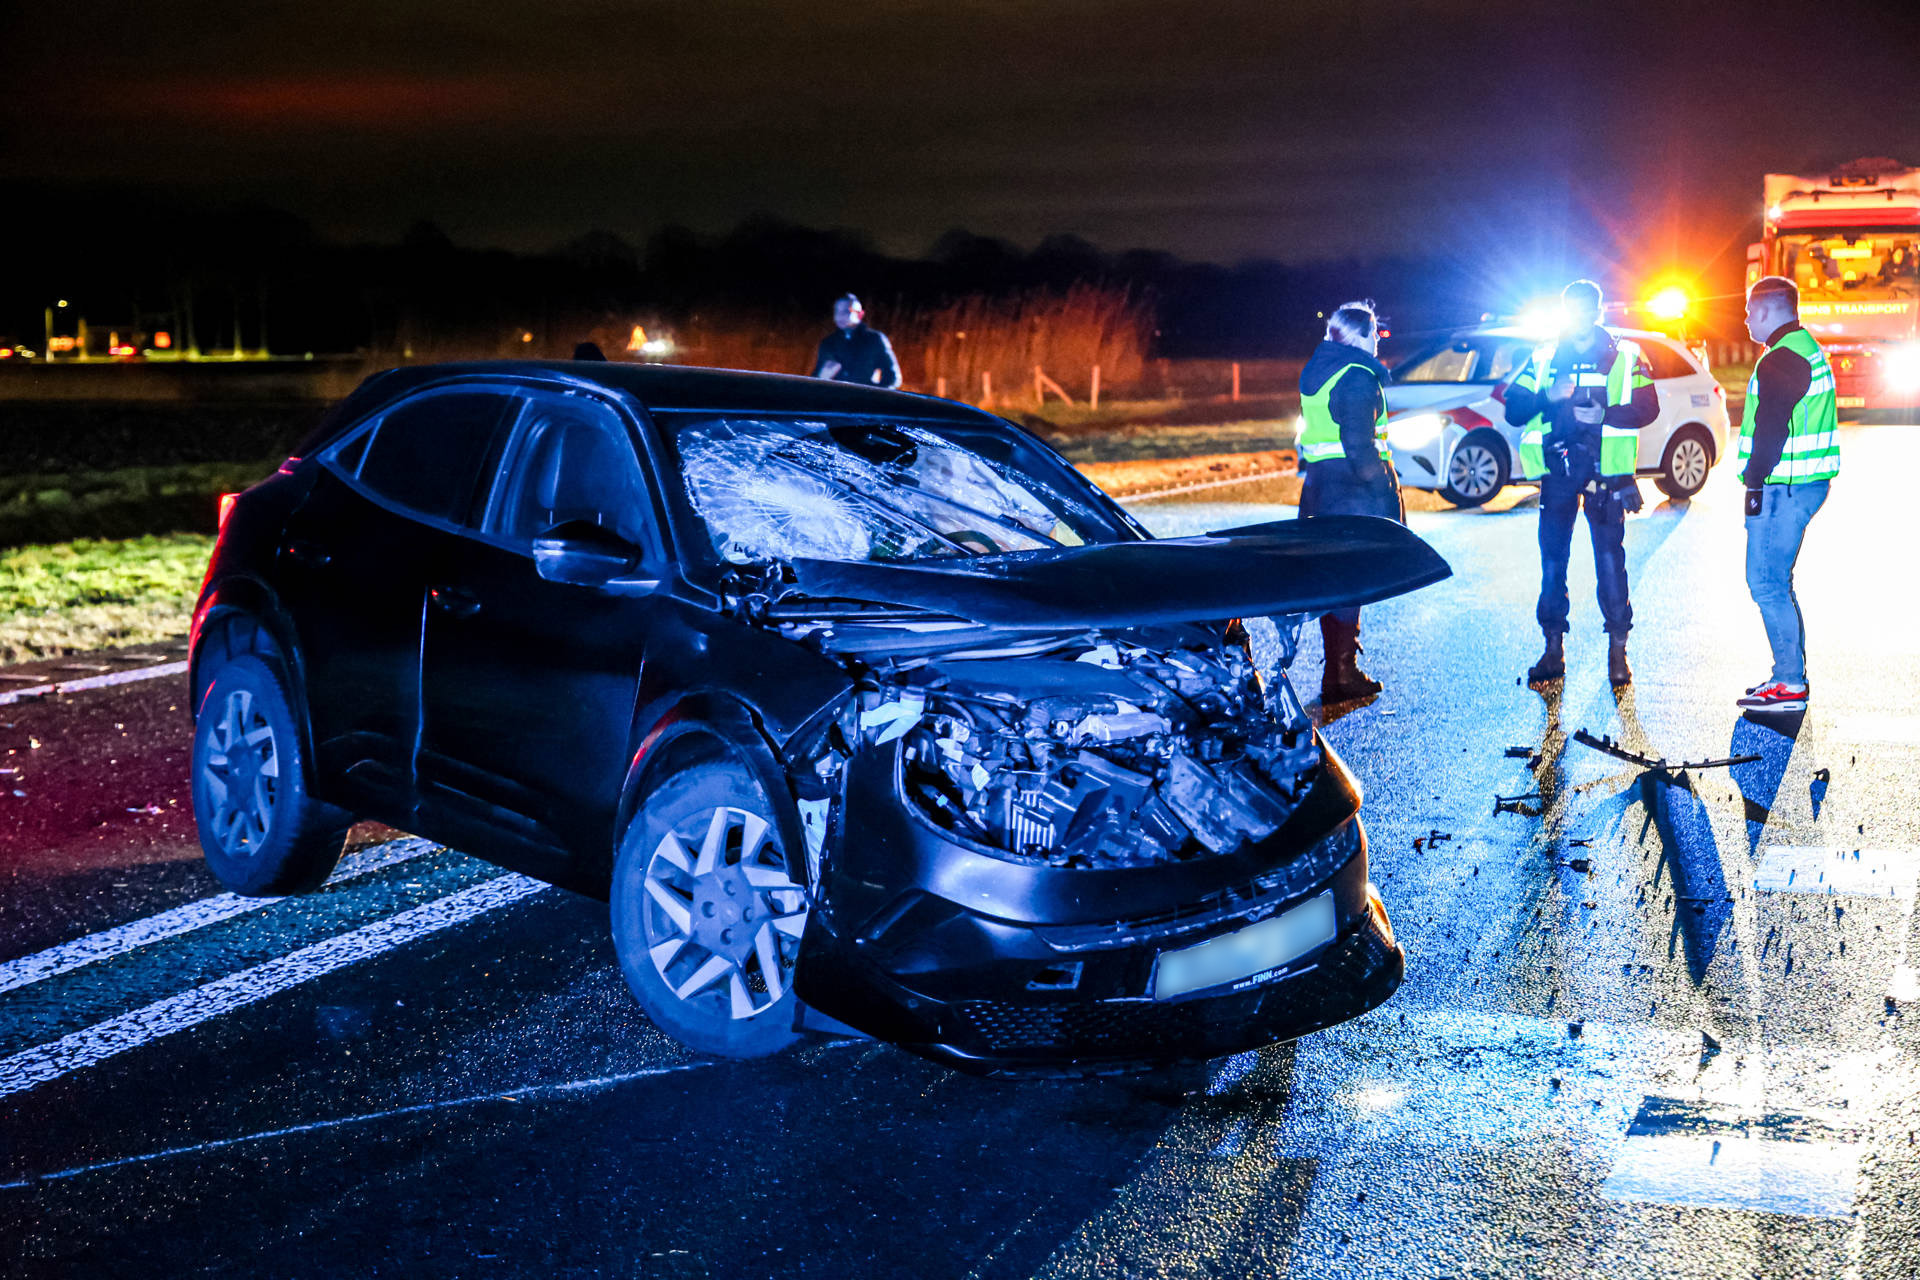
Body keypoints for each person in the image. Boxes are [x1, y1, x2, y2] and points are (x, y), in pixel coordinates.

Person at [1503, 279, 1658, 687]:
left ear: (1597, 311)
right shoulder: (1544, 356)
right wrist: (1548, 395)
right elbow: (1513, 409)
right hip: (1559, 471)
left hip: (1607, 473)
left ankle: (1618, 654)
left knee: (1609, 561)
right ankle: (1553, 649)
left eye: (1585, 310)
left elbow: (1649, 407)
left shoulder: (1625, 354)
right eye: (1571, 310)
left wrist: (1605, 415)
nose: (1578, 318)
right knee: (1553, 561)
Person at [1734, 276, 1839, 713]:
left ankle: (1789, 682)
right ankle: (1789, 676)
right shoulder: (1803, 348)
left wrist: (1754, 481)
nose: (1745, 319)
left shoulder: (1781, 359)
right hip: (1802, 484)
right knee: (1777, 582)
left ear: (1765, 311)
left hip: (1784, 486)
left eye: (1749, 311)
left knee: (1766, 581)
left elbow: (1770, 431)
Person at [1296, 300, 1403, 703]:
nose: (1377, 341)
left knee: (1335, 576)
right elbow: (1359, 444)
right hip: (1352, 491)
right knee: (1351, 579)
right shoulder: (1358, 374)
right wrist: (1382, 488)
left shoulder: (1319, 369)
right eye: (1374, 334)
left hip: (1321, 487)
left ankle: (1336, 670)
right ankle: (1343, 673)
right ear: (1359, 337)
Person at [812, 294, 901, 389]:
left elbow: (892, 377)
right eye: (837, 311)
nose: (839, 316)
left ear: (860, 314)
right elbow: (815, 380)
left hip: (863, 396)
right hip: (835, 396)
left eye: (846, 311)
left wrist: (874, 393)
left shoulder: (874, 340)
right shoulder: (828, 343)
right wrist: (822, 377)